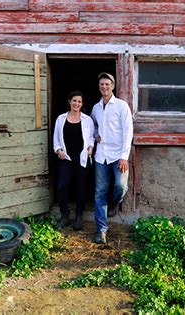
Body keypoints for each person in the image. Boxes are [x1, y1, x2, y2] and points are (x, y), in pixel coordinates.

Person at [91, 72, 133, 244]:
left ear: (113, 86)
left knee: (120, 186)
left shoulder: (122, 106)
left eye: (107, 84)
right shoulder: (96, 108)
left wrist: (124, 156)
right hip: (101, 155)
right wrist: (95, 135)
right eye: (101, 84)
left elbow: (128, 131)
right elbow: (91, 124)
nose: (104, 87)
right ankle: (101, 229)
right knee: (99, 191)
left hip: (118, 155)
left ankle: (114, 203)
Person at [53, 91, 95, 230]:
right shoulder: (61, 118)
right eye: (74, 101)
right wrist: (58, 150)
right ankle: (65, 216)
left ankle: (78, 217)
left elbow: (91, 136)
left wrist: (90, 147)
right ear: (69, 101)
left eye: (79, 101)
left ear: (82, 104)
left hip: (82, 157)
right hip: (66, 158)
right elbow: (56, 138)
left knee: (81, 188)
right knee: (61, 186)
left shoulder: (87, 119)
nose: (77, 103)